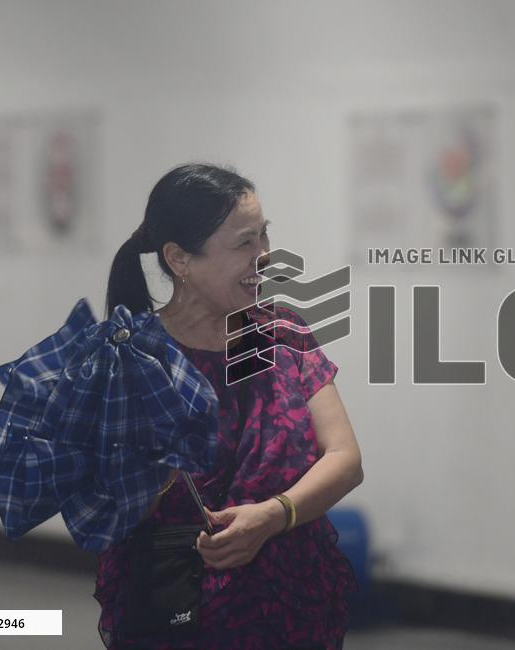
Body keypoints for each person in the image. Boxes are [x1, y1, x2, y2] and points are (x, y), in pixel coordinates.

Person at [96, 163, 363, 649]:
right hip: (178, 603)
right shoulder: (134, 355)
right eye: (244, 243)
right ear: (180, 258)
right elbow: (113, 505)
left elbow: (345, 459)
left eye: (264, 236)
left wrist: (275, 515)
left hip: (289, 599)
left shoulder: (285, 335)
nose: (264, 255)